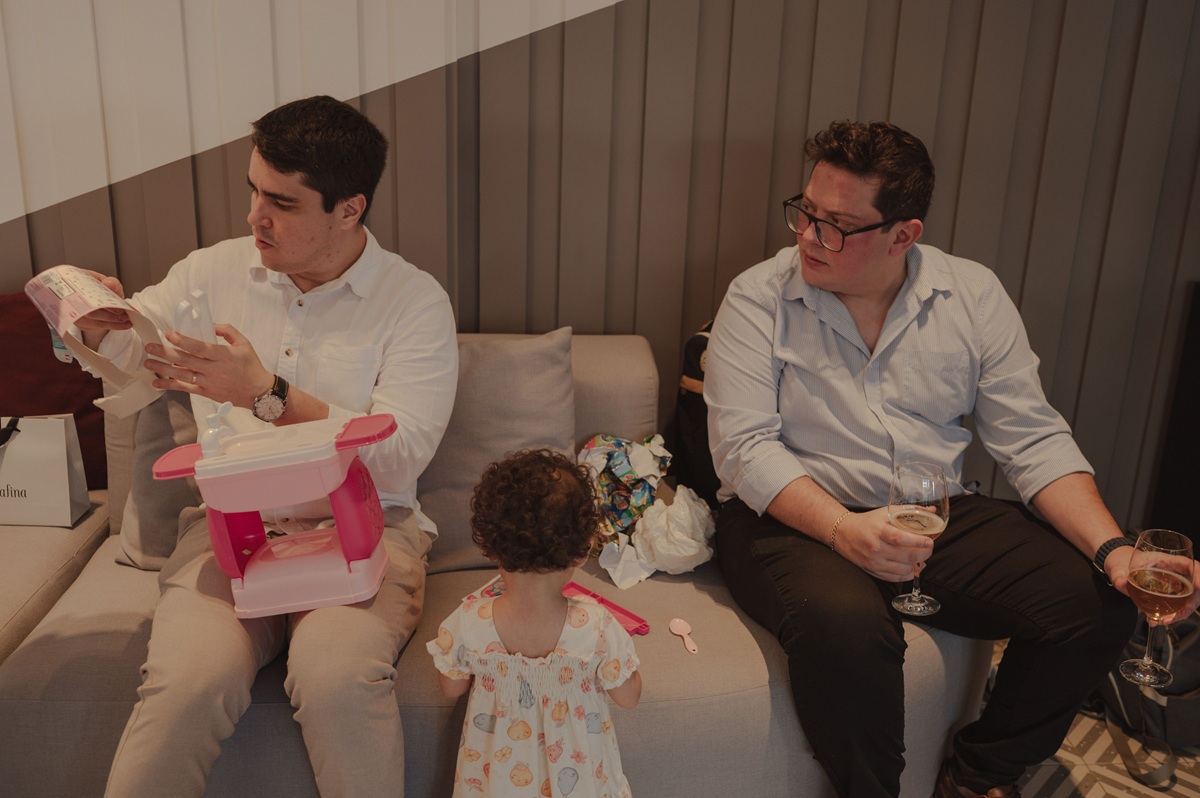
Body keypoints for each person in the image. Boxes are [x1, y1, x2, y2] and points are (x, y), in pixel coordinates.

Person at [704, 120, 1200, 798]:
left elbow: (1031, 438)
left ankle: (976, 778)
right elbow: (744, 448)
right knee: (849, 629)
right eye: (807, 212)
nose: (809, 237)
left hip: (928, 512)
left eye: (838, 226)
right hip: (794, 515)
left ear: (903, 235)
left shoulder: (972, 294)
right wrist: (845, 531)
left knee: (1095, 604)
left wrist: (1115, 551)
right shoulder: (758, 296)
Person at [75, 95, 460, 797]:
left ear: (349, 209)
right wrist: (96, 323)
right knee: (187, 683)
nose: (256, 216)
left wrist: (266, 395)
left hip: (366, 527)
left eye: (282, 203)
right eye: (254, 190)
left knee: (336, 676)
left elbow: (401, 455)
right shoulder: (210, 273)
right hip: (230, 526)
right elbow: (135, 353)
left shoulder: (414, 302)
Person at [427, 448, 642, 798]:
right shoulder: (597, 627)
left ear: (488, 546)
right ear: (583, 550)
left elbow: (451, 687)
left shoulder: (467, 621)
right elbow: (628, 697)